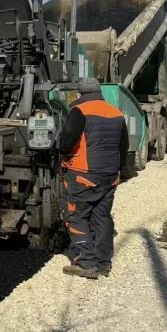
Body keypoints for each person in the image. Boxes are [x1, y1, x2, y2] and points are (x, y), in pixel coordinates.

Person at [56, 78, 129, 279]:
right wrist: (117, 169)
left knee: (75, 214)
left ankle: (85, 263)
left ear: (81, 93)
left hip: (83, 174)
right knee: (102, 216)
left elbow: (66, 141)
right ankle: (104, 263)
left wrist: (62, 154)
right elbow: (123, 146)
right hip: (110, 175)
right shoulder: (116, 112)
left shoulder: (79, 110)